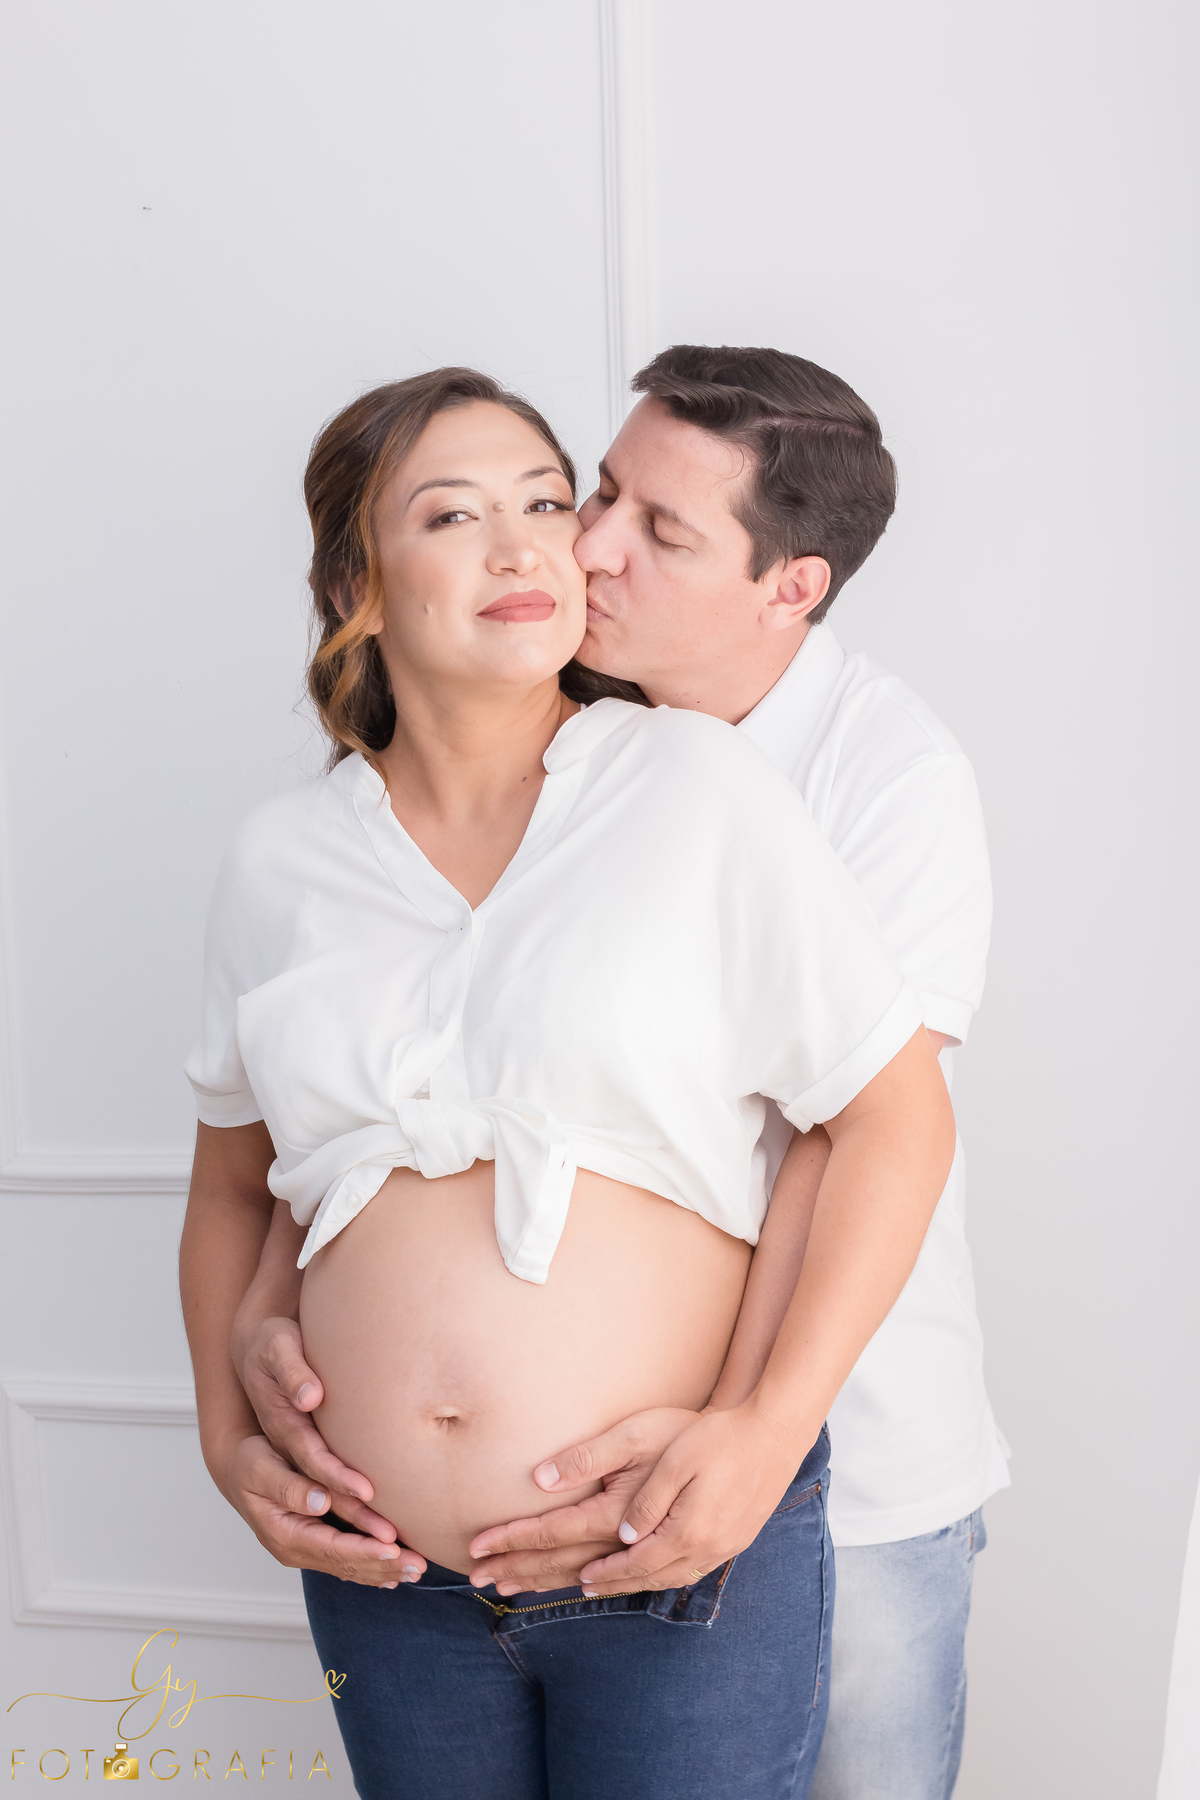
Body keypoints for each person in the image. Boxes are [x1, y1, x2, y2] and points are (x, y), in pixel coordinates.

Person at [233, 346, 1007, 1800]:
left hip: (831, 1432)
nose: (579, 546)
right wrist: (264, 1329)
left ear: (791, 587)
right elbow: (378, 1092)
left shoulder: (854, 776)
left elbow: (853, 1132)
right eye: (596, 493)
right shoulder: (461, 758)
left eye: (657, 529)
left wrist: (755, 1432)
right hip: (434, 1563)